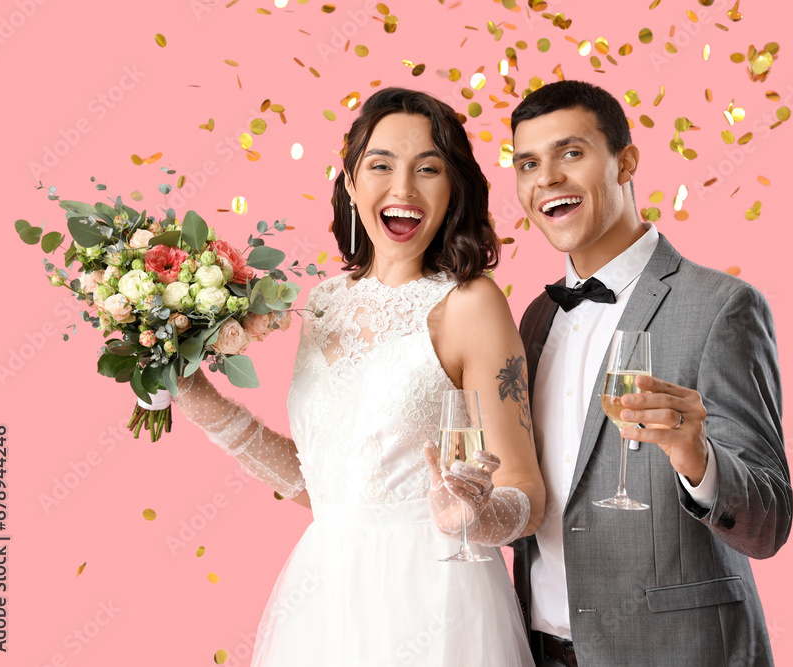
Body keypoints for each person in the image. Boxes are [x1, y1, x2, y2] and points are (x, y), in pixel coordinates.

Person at [170, 87, 545, 666]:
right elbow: (325, 487)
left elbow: (528, 493)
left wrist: (478, 513)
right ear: (349, 182)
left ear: (454, 189)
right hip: (324, 596)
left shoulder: (473, 304)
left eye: (429, 169)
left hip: (435, 592)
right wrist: (200, 402)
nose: (403, 189)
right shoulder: (320, 305)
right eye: (380, 166)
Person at [507, 79, 793, 666]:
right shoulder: (534, 318)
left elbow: (769, 524)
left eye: (571, 153)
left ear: (626, 161)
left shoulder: (722, 306)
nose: (547, 179)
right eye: (528, 163)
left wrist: (697, 458)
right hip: (539, 651)